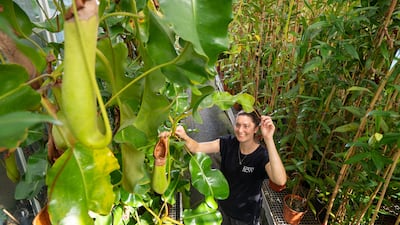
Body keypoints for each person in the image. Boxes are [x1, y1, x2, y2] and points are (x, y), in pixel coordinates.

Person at [172, 110, 287, 225]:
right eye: (238, 125)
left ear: (256, 129)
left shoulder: (261, 155)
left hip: (246, 217)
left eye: (246, 126)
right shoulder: (228, 143)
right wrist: (184, 136)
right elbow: (196, 147)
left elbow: (280, 180)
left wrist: (269, 139)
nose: (240, 130)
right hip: (224, 209)